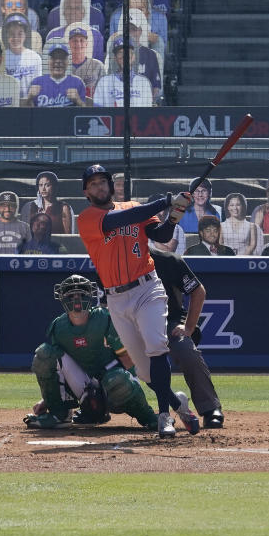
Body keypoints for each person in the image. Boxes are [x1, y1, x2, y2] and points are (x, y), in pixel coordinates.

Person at [77, 164, 200, 438]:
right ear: (86, 192)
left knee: (157, 346)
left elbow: (161, 236)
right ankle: (178, 402)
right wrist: (165, 202)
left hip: (147, 288)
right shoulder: (86, 218)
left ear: (110, 185)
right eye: (93, 184)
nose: (99, 187)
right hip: (116, 299)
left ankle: (164, 417)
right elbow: (117, 221)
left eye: (102, 182)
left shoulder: (132, 206)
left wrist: (173, 217)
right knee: (145, 373)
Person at [23, 275, 159, 430]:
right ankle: (60, 415)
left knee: (116, 380)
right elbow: (59, 370)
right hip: (85, 387)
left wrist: (108, 384)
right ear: (62, 298)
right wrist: (47, 401)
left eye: (81, 294)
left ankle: (148, 417)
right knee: (44, 355)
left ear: (90, 295)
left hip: (116, 381)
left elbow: (128, 360)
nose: (76, 300)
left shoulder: (105, 318)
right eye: (71, 295)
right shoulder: (59, 327)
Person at [151, 249, 224, 429]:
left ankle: (210, 408)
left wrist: (189, 327)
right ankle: (98, 406)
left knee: (185, 349)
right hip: (132, 325)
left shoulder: (167, 260)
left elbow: (198, 291)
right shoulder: (116, 260)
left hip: (170, 321)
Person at [92, 36, 153, 107]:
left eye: (127, 52)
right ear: (115, 58)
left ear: (133, 57)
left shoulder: (143, 82)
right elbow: (98, 110)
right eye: (120, 53)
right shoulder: (104, 82)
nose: (124, 56)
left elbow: (147, 112)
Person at [25, 40, 86, 107]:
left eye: (62, 58)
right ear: (48, 61)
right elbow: (28, 114)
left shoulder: (77, 82)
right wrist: (29, 99)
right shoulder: (37, 82)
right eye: (54, 58)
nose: (58, 62)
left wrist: (78, 100)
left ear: (68, 62)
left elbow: (86, 113)